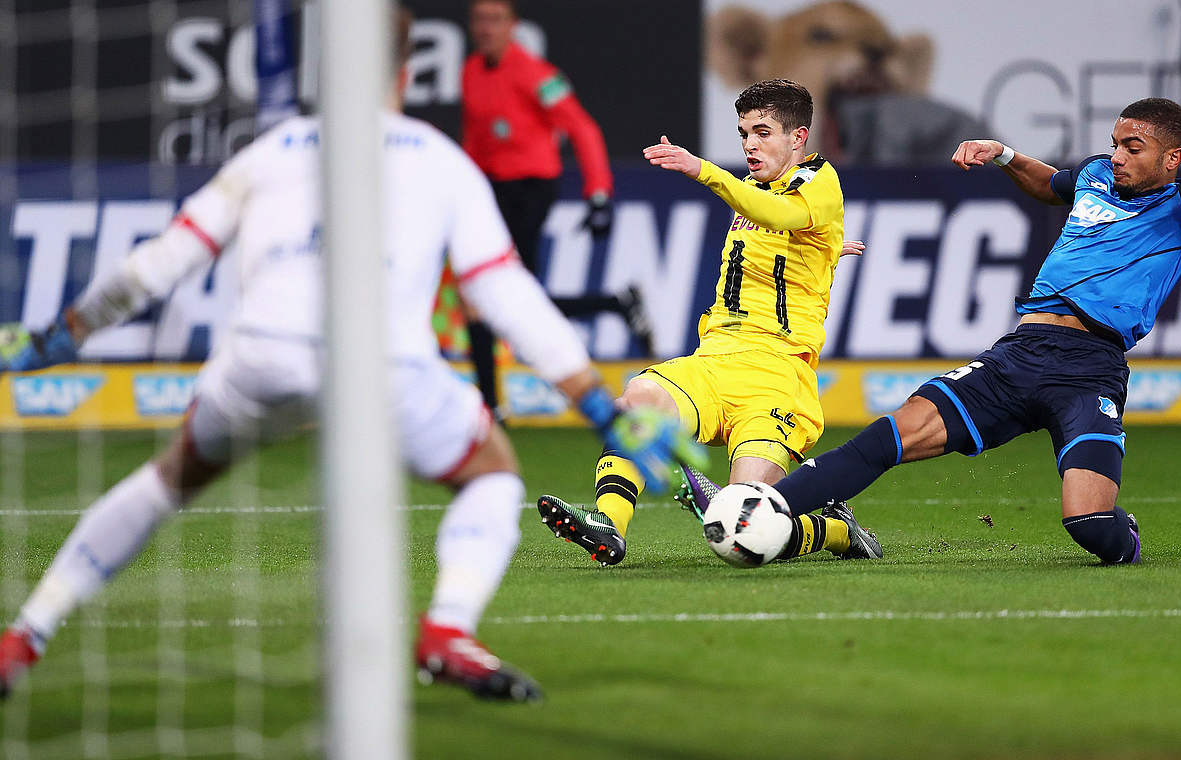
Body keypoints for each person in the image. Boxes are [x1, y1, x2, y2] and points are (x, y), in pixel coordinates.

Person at [0, 7, 693, 704]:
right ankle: (448, 629)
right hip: (383, 368)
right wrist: (600, 406)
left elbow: (156, 266)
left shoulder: (271, 152)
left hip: (259, 360)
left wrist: (59, 340)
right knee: (492, 474)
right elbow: (507, 297)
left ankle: (27, 633)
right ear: (411, 70)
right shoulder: (440, 160)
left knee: (166, 482)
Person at [762, 70, 1181, 565]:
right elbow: (1048, 184)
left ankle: (1122, 535)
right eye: (1115, 145)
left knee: (1090, 526)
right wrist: (1003, 155)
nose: (1119, 157)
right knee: (890, 435)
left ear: (1170, 158)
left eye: (1133, 148)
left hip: (1089, 370)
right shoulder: (1095, 177)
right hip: (1019, 354)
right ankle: (765, 507)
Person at [536, 78, 881, 566]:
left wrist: (703, 171)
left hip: (776, 378)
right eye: (743, 133)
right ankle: (608, 525)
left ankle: (834, 530)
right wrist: (826, 250)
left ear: (798, 138)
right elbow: (777, 229)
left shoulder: (817, 179)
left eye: (763, 132)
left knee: (744, 528)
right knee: (636, 402)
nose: (750, 144)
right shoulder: (758, 192)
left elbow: (778, 214)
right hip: (714, 362)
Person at [461, 0, 652, 417]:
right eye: (480, 19)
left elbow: (582, 129)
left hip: (531, 189)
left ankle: (490, 407)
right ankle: (615, 305)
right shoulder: (471, 70)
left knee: (500, 293)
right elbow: (476, 140)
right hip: (492, 191)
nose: (486, 28)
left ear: (512, 25)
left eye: (495, 19)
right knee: (494, 293)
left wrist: (598, 192)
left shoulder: (538, 75)